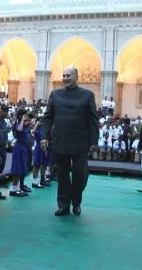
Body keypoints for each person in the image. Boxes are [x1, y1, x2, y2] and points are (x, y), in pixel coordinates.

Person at [40, 66, 99, 216]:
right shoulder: (55, 94)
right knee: (62, 175)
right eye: (64, 75)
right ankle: (63, 205)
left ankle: (76, 201)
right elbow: (48, 118)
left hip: (81, 142)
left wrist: (94, 141)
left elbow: (93, 119)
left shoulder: (87, 95)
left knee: (81, 175)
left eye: (68, 76)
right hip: (60, 141)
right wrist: (44, 137)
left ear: (76, 77)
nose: (65, 78)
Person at [10, 109, 31, 197]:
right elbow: (19, 130)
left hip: (23, 148)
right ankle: (13, 190)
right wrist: (22, 120)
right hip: (18, 147)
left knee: (21, 168)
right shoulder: (17, 124)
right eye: (24, 115)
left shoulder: (24, 125)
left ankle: (17, 188)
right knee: (17, 169)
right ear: (20, 116)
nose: (26, 117)